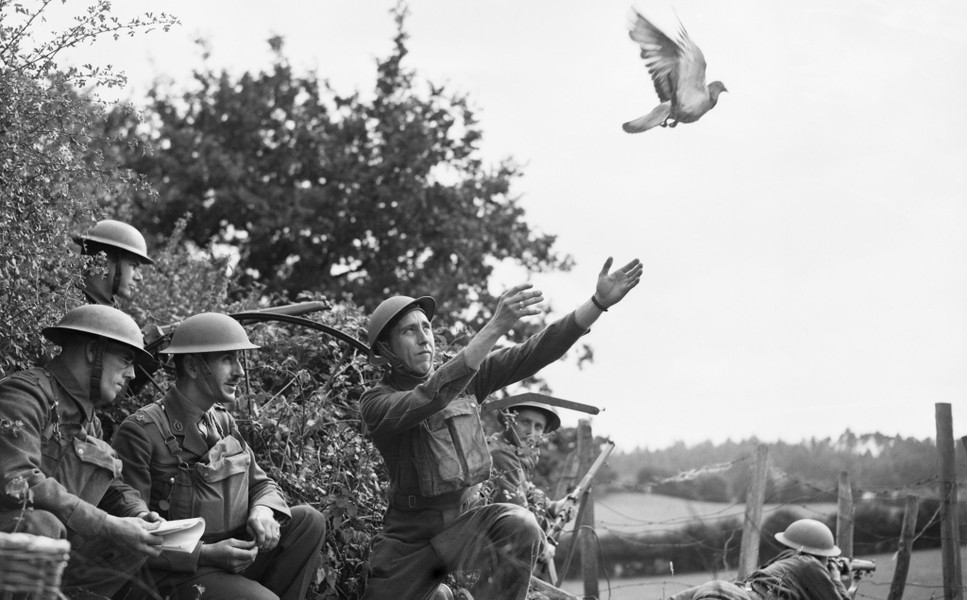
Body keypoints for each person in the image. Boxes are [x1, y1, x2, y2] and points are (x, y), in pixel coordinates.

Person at [359, 256, 642, 600]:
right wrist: (494, 326)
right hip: (409, 539)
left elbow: (535, 350)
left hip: (466, 526)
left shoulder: (465, 378)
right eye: (409, 330)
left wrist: (596, 304)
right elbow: (430, 396)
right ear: (385, 350)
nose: (424, 338)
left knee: (520, 524)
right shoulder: (376, 403)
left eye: (427, 327)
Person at [111, 312, 326, 600]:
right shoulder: (141, 431)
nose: (239, 370)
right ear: (192, 366)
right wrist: (206, 554)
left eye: (238, 359)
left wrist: (261, 511)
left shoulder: (221, 422)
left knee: (308, 522)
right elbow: (133, 533)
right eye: (227, 359)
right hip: (176, 571)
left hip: (228, 552)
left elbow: (261, 485)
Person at [0, 305, 164, 598]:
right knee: (42, 525)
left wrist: (140, 515)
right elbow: (18, 482)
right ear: (92, 351)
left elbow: (112, 486)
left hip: (52, 550)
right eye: (126, 359)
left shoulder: (90, 421)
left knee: (137, 544)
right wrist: (107, 525)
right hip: (14, 543)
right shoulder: (24, 395)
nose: (131, 373)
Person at [667, 519, 853, 600]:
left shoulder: (775, 569)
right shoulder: (809, 564)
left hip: (717, 589)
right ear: (821, 556)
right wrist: (836, 579)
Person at [74, 219, 153, 307]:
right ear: (103, 260)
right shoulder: (69, 302)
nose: (139, 277)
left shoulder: (112, 311)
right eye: (134, 266)